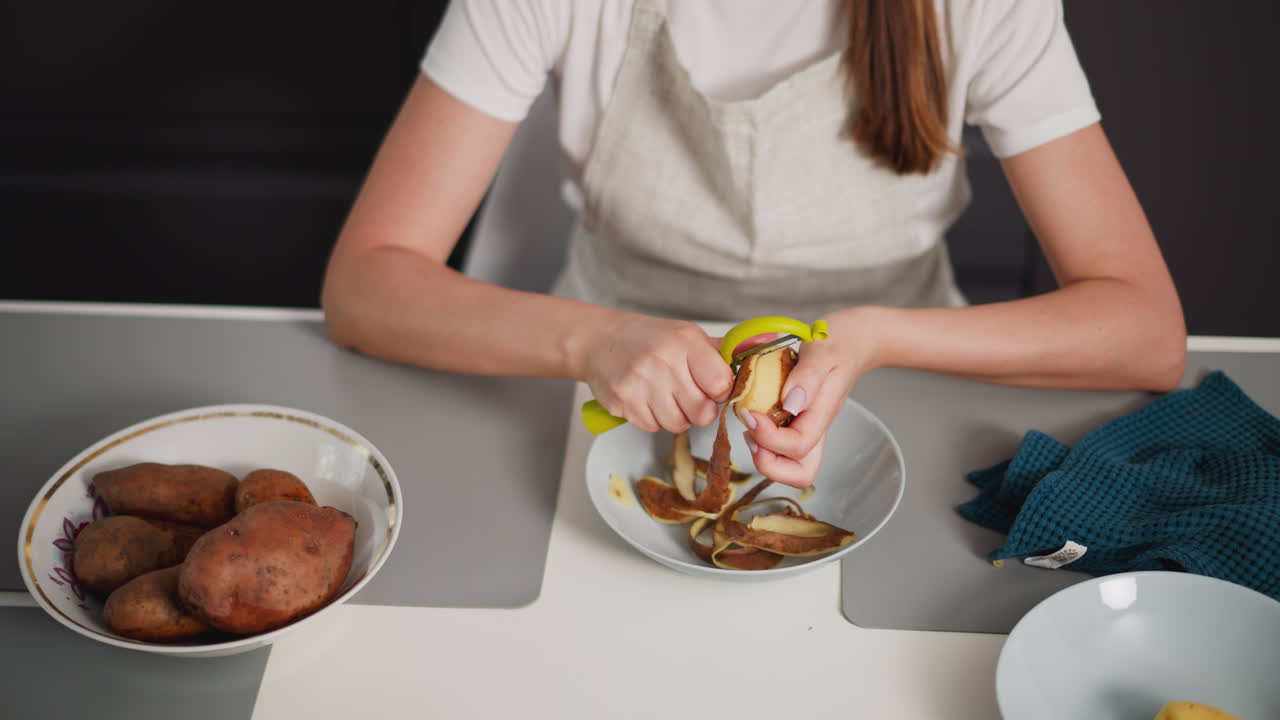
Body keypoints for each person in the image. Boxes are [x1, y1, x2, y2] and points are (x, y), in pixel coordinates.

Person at [320, 0, 1186, 489]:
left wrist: (879, 338)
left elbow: (1145, 332)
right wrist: (592, 338)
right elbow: (365, 286)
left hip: (912, 398)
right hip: (607, 407)